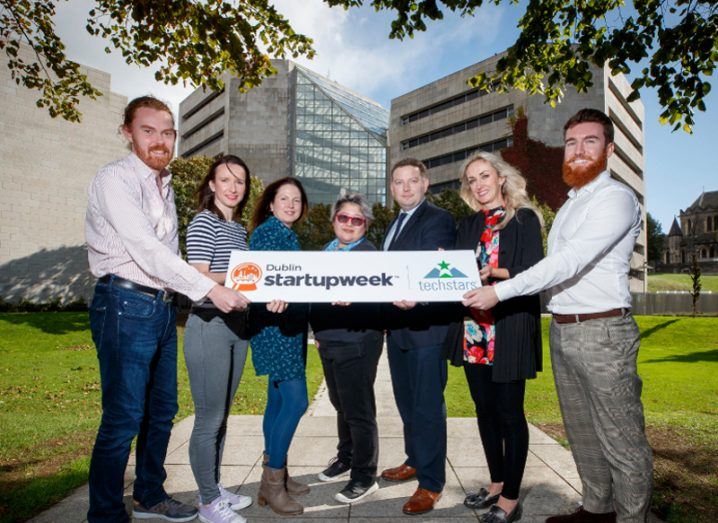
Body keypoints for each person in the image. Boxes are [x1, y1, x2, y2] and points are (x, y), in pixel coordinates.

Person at [463, 108, 653, 523]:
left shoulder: (616, 198)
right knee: (582, 433)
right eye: (572, 142)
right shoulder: (570, 204)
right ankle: (596, 509)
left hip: (603, 330)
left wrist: (499, 289)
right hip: (565, 329)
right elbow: (550, 266)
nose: (578, 149)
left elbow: (566, 262)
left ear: (610, 148)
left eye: (590, 141)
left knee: (622, 440)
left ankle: (632, 517)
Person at [85, 96, 248, 523]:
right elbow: (143, 248)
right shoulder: (115, 180)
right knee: (123, 416)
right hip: (123, 302)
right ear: (127, 132)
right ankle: (104, 513)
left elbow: (167, 252)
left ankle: (149, 495)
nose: (160, 140)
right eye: (148, 130)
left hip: (158, 308)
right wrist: (210, 290)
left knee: (161, 412)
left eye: (167, 132)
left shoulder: (164, 184)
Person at [450, 152, 544, 523]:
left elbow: (535, 271)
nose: (479, 184)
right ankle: (495, 483)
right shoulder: (469, 224)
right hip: (473, 330)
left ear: (501, 177)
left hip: (508, 328)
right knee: (484, 411)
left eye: (484, 175)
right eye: (471, 179)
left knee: (509, 413)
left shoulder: (523, 219)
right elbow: (458, 272)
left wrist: (496, 271)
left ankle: (510, 498)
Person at [380, 158, 456, 516]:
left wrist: (419, 292)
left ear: (426, 184)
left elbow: (433, 265)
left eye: (413, 181)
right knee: (407, 403)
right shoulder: (394, 225)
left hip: (426, 329)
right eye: (399, 182)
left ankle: (430, 483)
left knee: (426, 407)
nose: (406, 187)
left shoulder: (438, 220)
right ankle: (414, 459)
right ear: (392, 187)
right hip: (397, 331)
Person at [183, 155, 255, 523]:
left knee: (222, 417)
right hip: (208, 325)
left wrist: (254, 279)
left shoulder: (239, 229)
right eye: (225, 180)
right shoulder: (203, 222)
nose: (233, 187)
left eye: (239, 181)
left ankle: (212, 487)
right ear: (212, 184)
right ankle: (209, 503)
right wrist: (247, 275)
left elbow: (243, 279)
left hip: (237, 328)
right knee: (208, 419)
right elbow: (198, 275)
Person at [310, 189, 384, 504]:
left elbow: (379, 293)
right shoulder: (326, 251)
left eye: (357, 219)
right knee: (341, 404)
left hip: (357, 340)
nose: (350, 223)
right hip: (329, 339)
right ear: (334, 221)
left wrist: (358, 296)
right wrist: (317, 333)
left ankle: (365, 476)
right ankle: (347, 456)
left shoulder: (368, 254)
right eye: (344, 217)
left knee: (358, 409)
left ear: (365, 224)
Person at [249, 177, 310, 517]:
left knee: (277, 401)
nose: (290, 204)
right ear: (270, 204)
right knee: (297, 401)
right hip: (276, 329)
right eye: (283, 198)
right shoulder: (267, 233)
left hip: (288, 328)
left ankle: (275, 476)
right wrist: (270, 291)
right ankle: (273, 486)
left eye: (296, 200)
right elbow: (259, 277)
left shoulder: (287, 235)